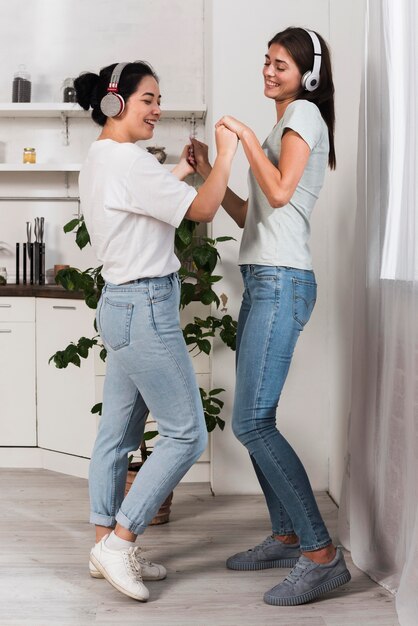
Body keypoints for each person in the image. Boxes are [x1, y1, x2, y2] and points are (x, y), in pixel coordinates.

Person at [190, 27, 351, 606]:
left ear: (306, 76)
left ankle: (320, 555)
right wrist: (213, 165)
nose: (268, 71)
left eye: (280, 64)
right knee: (260, 417)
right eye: (266, 61)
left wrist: (246, 138)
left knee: (253, 422)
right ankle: (286, 536)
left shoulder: (303, 115)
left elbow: (281, 191)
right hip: (265, 277)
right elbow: (252, 214)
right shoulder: (284, 126)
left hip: (282, 282)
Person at [74, 60, 238, 602]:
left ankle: (104, 546)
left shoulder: (101, 158)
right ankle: (120, 543)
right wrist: (226, 155)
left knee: (116, 438)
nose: (158, 109)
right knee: (187, 433)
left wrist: (186, 172)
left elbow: (145, 201)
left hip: (118, 305)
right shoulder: (129, 161)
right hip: (145, 307)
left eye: (159, 99)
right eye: (148, 99)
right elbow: (206, 209)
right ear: (116, 102)